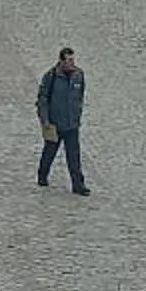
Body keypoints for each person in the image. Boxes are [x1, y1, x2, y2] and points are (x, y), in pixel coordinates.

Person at [36, 46, 89, 194]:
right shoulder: (51, 77)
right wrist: (45, 120)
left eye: (73, 60)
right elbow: (43, 99)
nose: (72, 64)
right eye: (69, 60)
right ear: (61, 61)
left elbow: (80, 96)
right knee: (49, 152)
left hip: (71, 124)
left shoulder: (78, 75)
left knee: (74, 157)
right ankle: (42, 175)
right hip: (54, 123)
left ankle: (78, 185)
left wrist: (77, 114)